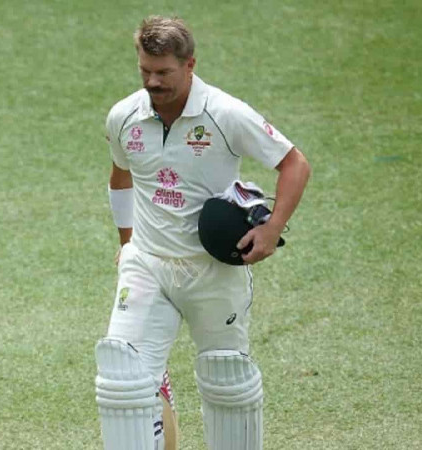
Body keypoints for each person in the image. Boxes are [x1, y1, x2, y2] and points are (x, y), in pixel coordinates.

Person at [94, 16, 311, 450]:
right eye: (145, 71)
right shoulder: (124, 116)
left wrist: (272, 230)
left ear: (190, 64)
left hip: (213, 272)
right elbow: (121, 176)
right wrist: (127, 242)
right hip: (148, 265)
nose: (152, 82)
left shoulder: (225, 113)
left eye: (163, 72)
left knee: (226, 378)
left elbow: (294, 164)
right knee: (122, 378)